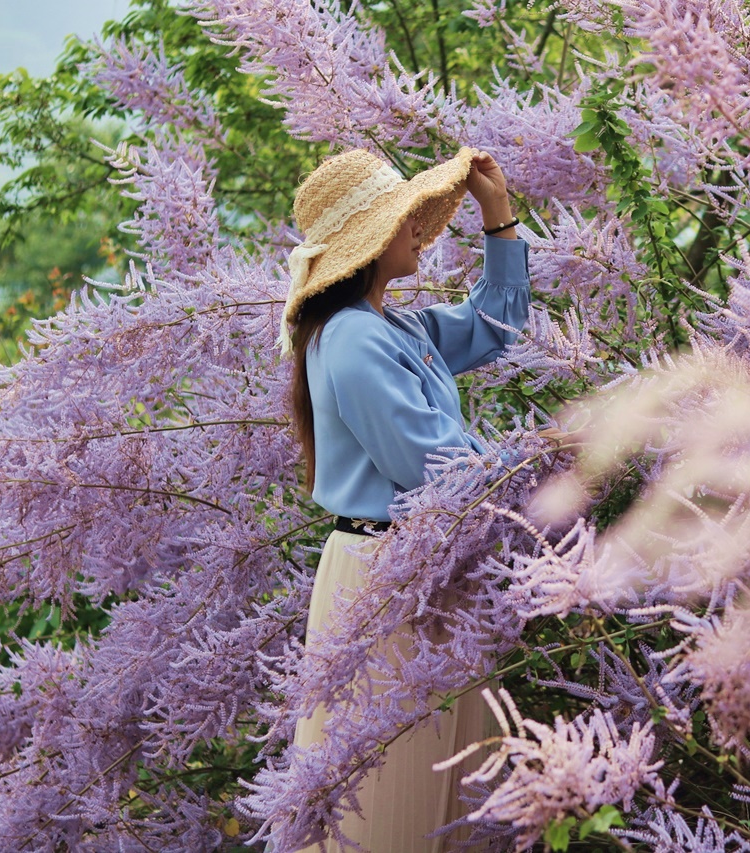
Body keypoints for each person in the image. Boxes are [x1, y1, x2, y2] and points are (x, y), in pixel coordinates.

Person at [280, 146, 529, 852]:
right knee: (392, 789)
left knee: (438, 779)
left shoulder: (393, 327)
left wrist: (497, 212)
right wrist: (539, 460)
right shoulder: (354, 340)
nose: (417, 230)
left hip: (422, 565)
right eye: (402, 219)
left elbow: (497, 325)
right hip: (385, 576)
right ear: (365, 245)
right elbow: (429, 463)